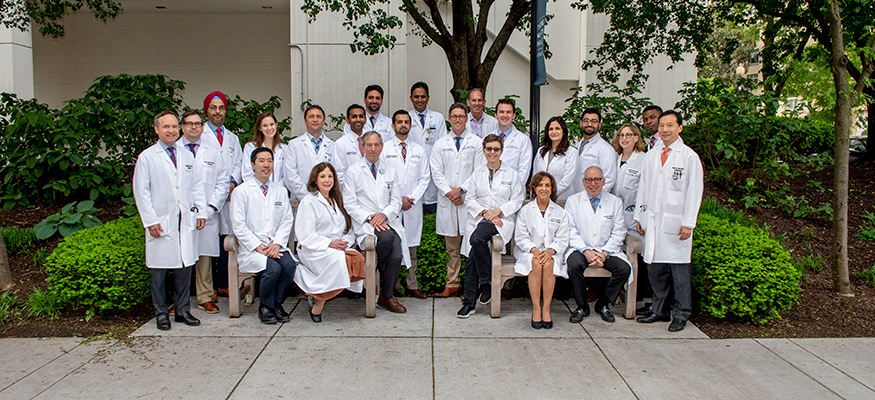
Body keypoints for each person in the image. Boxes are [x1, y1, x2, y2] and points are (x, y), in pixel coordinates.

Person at [133, 111, 206, 331]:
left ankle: (183, 310)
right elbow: (141, 191)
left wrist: (200, 212)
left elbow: (196, 186)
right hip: (161, 222)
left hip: (185, 221)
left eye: (174, 127)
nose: (171, 131)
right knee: (160, 271)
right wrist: (151, 220)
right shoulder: (147, 157)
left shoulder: (186, 155)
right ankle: (161, 313)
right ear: (156, 129)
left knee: (185, 267)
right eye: (166, 127)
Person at [635, 110, 703, 332]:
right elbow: (643, 187)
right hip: (652, 220)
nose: (665, 129)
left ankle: (681, 313)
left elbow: (695, 192)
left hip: (676, 224)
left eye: (670, 125)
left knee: (679, 270)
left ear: (680, 128)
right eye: (662, 125)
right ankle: (660, 310)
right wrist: (640, 215)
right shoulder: (652, 154)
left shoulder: (688, 157)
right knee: (656, 268)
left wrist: (688, 222)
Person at [457, 134, 524, 318]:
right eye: (489, 149)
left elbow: (517, 199)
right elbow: (470, 199)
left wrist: (499, 211)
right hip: (482, 218)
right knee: (472, 258)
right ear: (484, 150)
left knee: (476, 239)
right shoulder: (477, 173)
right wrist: (486, 213)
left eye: (496, 149)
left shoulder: (512, 174)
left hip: (501, 221)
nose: (492, 152)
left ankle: (481, 289)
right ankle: (475, 296)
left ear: (501, 151)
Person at [342, 131, 409, 313]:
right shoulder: (353, 171)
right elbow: (349, 202)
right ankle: (387, 289)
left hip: (387, 220)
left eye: (376, 145)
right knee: (390, 241)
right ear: (362, 147)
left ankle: (386, 296)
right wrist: (370, 217)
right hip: (366, 222)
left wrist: (384, 215)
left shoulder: (391, 170)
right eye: (369, 145)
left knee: (395, 252)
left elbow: (396, 201)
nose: (373, 149)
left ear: (382, 146)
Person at [231, 147, 297, 325]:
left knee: (289, 266)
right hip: (253, 248)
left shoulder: (280, 191)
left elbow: (286, 220)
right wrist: (258, 247)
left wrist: (276, 244)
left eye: (269, 160)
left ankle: (276, 304)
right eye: (261, 161)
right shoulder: (241, 191)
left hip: (275, 246)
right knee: (273, 269)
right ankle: (265, 307)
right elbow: (238, 224)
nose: (266, 165)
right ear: (252, 165)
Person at [294, 162, 363, 323]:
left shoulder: (337, 199)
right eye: (322, 176)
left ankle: (318, 294)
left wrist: (344, 242)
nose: (327, 180)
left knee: (357, 259)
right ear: (315, 180)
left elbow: (348, 229)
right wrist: (329, 244)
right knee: (343, 262)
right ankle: (319, 303)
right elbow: (305, 235)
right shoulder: (309, 201)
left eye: (330, 176)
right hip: (314, 249)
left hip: (337, 248)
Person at [565, 166, 632, 324]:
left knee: (624, 269)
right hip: (580, 248)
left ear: (603, 181)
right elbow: (569, 230)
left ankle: (603, 304)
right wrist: (586, 250)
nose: (592, 183)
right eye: (589, 180)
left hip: (606, 250)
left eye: (596, 180)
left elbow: (619, 230)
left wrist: (604, 253)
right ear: (583, 181)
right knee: (574, 265)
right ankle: (582, 306)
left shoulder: (615, 202)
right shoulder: (573, 201)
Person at [178, 109, 229, 315]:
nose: (193, 127)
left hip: (206, 213)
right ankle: (179, 299)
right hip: (180, 214)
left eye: (197, 124)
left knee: (205, 257)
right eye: (189, 123)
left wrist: (208, 211)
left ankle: (205, 297)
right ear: (182, 126)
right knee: (179, 258)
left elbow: (222, 183)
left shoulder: (213, 152)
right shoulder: (175, 150)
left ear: (202, 126)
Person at [430, 103, 482, 298]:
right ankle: (452, 283)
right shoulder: (440, 144)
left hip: (468, 200)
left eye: (461, 116)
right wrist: (450, 192)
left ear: (467, 118)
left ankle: (471, 288)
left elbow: (479, 170)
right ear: (449, 119)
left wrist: (461, 190)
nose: (458, 119)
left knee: (471, 247)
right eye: (454, 116)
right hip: (449, 201)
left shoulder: (476, 142)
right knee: (452, 249)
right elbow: (436, 171)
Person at [383, 110, 430, 299]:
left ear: (410, 126)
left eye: (406, 122)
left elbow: (425, 177)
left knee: (411, 247)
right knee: (392, 246)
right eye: (399, 122)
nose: (403, 125)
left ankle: (412, 284)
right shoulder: (384, 149)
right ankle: (392, 284)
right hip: (392, 206)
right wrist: (398, 200)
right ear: (393, 126)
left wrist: (410, 199)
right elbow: (383, 177)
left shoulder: (419, 150)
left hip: (411, 205)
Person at [202, 91, 243, 304]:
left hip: (228, 196)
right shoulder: (199, 136)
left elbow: (239, 164)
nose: (218, 112)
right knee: (210, 243)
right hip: (208, 197)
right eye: (213, 108)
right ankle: (210, 288)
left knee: (226, 239)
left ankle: (224, 284)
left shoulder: (232, 138)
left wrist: (232, 183)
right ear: (207, 110)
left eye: (221, 108)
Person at [513, 172, 569, 329]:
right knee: (536, 264)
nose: (543, 188)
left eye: (547, 185)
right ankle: (536, 308)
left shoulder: (560, 212)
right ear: (533, 188)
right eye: (540, 185)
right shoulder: (525, 211)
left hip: (552, 252)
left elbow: (563, 238)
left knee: (549, 264)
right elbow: (521, 237)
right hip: (529, 252)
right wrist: (534, 250)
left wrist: (551, 251)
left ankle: (546, 308)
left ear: (552, 189)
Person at [610, 123, 650, 316]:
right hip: (617, 216)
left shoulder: (643, 160)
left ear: (636, 138)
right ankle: (618, 293)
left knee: (638, 256)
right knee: (618, 254)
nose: (624, 138)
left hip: (635, 217)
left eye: (629, 135)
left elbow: (646, 191)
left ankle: (637, 297)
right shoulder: (615, 158)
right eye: (621, 135)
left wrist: (642, 216)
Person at [407, 81, 447, 214]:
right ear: (411, 98)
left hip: (433, 171)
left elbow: (442, 145)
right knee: (414, 209)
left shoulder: (438, 118)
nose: (420, 100)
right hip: (413, 171)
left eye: (423, 96)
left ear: (428, 98)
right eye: (416, 97)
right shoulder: (406, 119)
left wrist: (433, 167)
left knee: (432, 209)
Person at [284, 105, 336, 202]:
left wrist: (323, 197)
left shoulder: (333, 146)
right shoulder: (294, 145)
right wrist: (307, 197)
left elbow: (336, 173)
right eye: (311, 116)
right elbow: (290, 176)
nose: (315, 120)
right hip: (301, 200)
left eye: (318, 117)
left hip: (326, 198)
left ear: (324, 121)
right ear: (305, 121)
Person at [486, 98, 533, 184]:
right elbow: (483, 166)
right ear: (496, 115)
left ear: (514, 115)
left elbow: (523, 171)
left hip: (513, 191)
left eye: (508, 112)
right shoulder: (487, 138)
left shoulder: (523, 140)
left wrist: (513, 190)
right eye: (501, 112)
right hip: (490, 190)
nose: (505, 115)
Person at [571, 108, 617, 195]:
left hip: (594, 200)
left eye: (594, 121)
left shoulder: (605, 148)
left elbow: (609, 180)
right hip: (576, 197)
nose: (589, 124)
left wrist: (595, 198)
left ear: (599, 125)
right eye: (586, 121)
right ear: (581, 123)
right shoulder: (576, 147)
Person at [533, 116, 578, 201]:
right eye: (551, 129)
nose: (554, 132)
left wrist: (551, 194)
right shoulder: (541, 151)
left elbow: (567, 181)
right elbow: (535, 175)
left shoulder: (571, 152)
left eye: (557, 128)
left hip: (561, 198)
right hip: (541, 198)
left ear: (563, 132)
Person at [242, 112, 288, 186]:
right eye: (265, 125)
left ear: (276, 125)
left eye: (271, 124)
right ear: (260, 128)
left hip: (278, 192)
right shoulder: (250, 147)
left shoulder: (284, 148)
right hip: (255, 191)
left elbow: (286, 174)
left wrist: (276, 189)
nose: (269, 128)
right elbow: (247, 173)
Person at [333, 104, 368, 182]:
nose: (358, 119)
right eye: (354, 116)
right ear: (348, 121)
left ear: (365, 120)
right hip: (350, 191)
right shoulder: (340, 143)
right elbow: (339, 174)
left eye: (361, 116)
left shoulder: (370, 141)